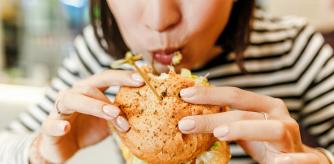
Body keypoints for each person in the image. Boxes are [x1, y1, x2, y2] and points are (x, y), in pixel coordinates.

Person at [1, 0, 334, 163]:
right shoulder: (101, 54)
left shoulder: (293, 48)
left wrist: (312, 159)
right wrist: (40, 151)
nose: (159, 21)